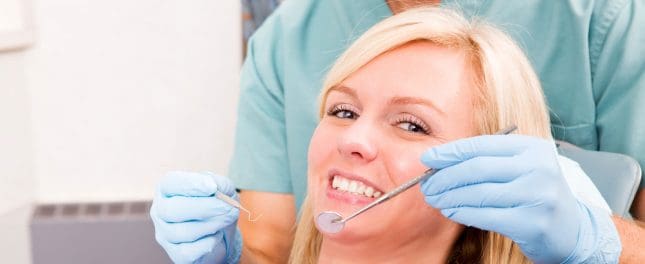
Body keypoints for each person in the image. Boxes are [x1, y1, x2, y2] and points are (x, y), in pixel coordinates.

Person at [151, 0, 645, 263]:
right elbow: (269, 246)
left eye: (412, 124)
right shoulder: (288, 36)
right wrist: (228, 256)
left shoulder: (604, 16)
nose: (353, 140)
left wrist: (596, 241)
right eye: (342, 111)